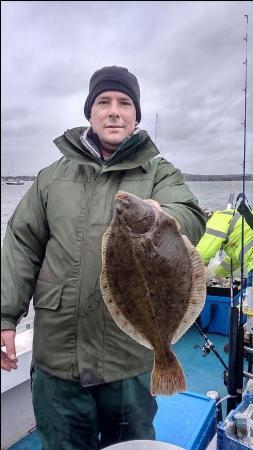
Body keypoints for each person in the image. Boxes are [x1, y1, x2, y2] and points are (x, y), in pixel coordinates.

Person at [1, 65, 206, 450]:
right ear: (90, 114)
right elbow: (21, 245)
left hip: (128, 362)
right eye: (104, 102)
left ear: (136, 115)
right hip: (58, 355)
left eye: (125, 103)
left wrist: (161, 216)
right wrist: (4, 316)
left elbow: (192, 216)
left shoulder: (160, 172)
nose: (114, 111)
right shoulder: (51, 178)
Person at [197, 208, 253, 286]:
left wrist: (197, 279)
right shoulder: (227, 218)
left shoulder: (214, 223)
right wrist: (219, 274)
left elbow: (203, 254)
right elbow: (235, 259)